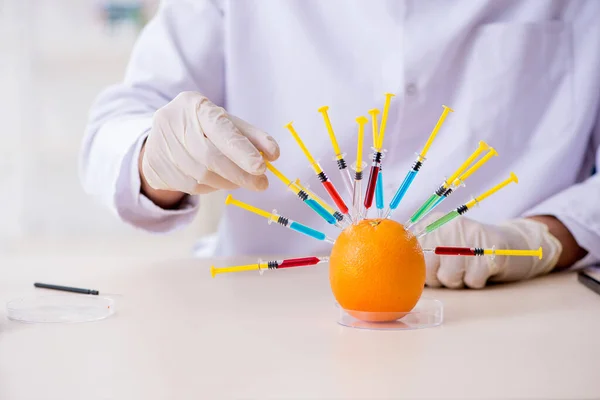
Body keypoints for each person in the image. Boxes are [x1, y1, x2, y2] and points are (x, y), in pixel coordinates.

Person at [80, 0, 599, 289]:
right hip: (263, 311)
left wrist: (541, 239)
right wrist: (158, 156)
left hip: (514, 311)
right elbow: (114, 126)